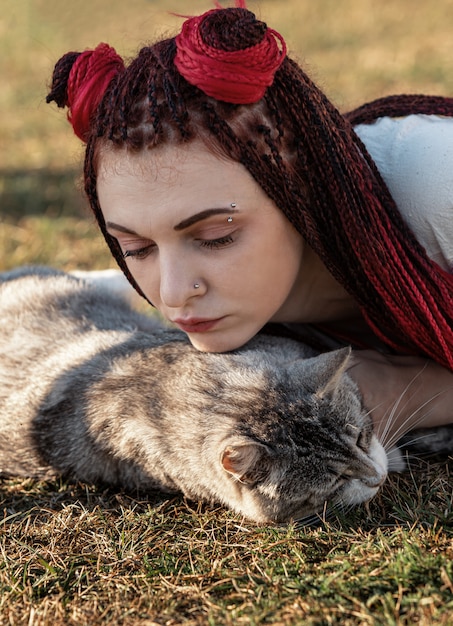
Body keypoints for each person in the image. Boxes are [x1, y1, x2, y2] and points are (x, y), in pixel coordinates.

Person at [46, 1, 453, 447]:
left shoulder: (433, 188)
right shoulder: (244, 304)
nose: (173, 293)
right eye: (138, 249)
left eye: (215, 238)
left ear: (300, 186)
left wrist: (420, 391)